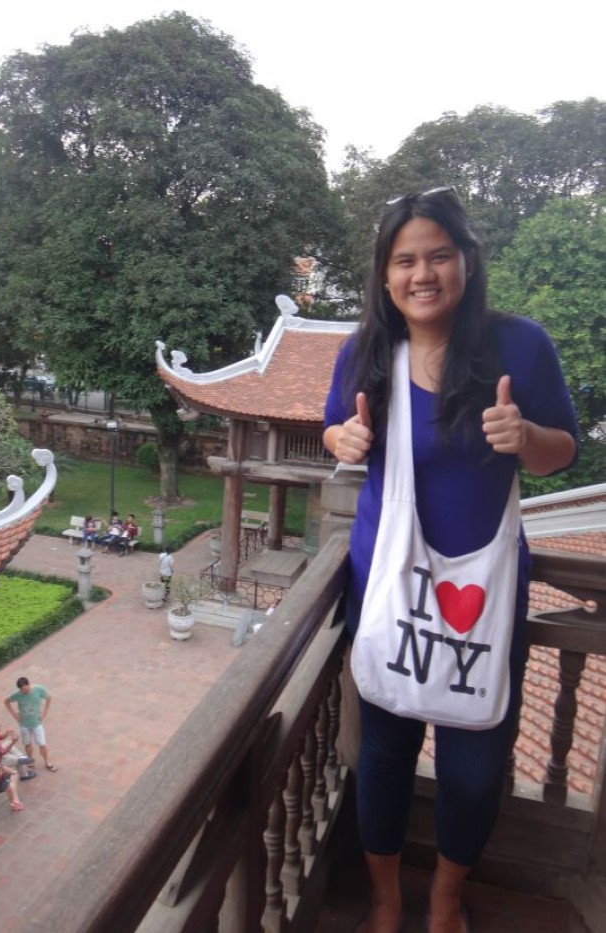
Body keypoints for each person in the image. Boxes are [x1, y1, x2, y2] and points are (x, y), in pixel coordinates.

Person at [323, 187, 578, 933]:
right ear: (384, 274)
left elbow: (562, 449)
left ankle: (443, 897)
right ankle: (383, 898)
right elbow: (336, 422)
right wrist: (343, 441)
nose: (421, 273)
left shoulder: (518, 345)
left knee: (473, 769)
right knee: (386, 752)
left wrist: (524, 435)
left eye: (439, 254)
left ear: (468, 259)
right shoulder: (365, 348)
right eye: (404, 260)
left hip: (487, 586)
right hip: (387, 583)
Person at [4, 676, 57, 772]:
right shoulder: (18, 694)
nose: (24, 691)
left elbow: (49, 697)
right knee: (27, 744)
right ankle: (31, 761)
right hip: (24, 724)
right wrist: (14, 714)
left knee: (42, 744)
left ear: (29, 684)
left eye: (25, 688)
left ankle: (47, 761)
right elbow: (6, 701)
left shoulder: (38, 689)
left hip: (36, 723)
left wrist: (45, 712)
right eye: (22, 690)